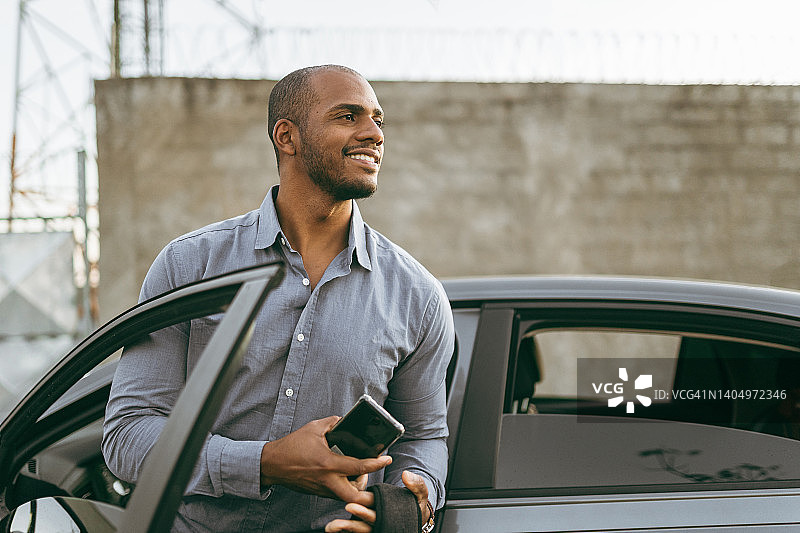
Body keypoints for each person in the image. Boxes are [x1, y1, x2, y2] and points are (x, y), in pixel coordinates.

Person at [102, 64, 454, 533]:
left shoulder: (419, 295)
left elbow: (426, 438)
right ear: (286, 136)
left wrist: (410, 507)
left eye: (378, 119)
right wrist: (264, 462)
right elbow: (129, 433)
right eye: (348, 117)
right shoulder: (190, 267)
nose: (373, 133)